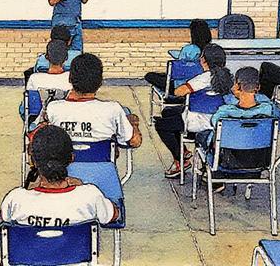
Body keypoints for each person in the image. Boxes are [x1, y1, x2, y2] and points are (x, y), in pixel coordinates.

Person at [0, 125, 118, 228]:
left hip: (28, 254)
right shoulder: (90, 195)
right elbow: (113, 215)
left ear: (34, 161)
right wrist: (82, 187)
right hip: (76, 254)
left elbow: (4, 221)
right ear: (71, 158)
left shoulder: (15, 199)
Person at [153, 44, 233, 178]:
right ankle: (182, 150)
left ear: (203, 61)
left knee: (161, 125)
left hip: (198, 120)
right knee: (168, 112)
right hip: (220, 120)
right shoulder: (228, 77)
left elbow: (179, 92)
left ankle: (180, 159)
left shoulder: (203, 78)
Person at [44, 53, 142, 148]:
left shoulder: (53, 108)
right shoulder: (113, 109)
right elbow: (134, 141)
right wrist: (133, 124)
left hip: (63, 163)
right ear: (100, 82)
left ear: (70, 79)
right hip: (101, 163)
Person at [144, 18, 213, 93]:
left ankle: (166, 94)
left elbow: (181, 62)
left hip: (179, 85)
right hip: (199, 85)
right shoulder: (212, 49)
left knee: (150, 76)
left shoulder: (191, 48)